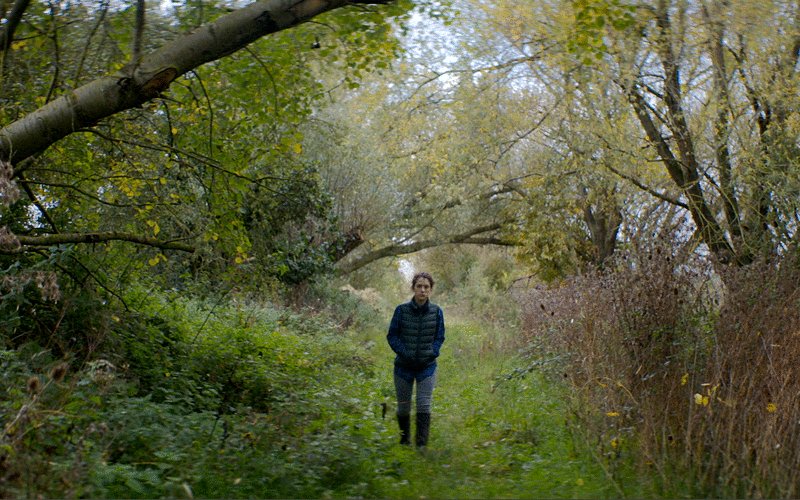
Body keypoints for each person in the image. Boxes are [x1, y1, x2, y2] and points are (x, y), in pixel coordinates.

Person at [386, 271, 445, 447]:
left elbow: (439, 337)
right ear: (413, 288)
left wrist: (432, 352)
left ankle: (421, 445)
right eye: (419, 286)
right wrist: (404, 353)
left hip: (427, 367)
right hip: (403, 367)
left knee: (424, 405)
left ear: (431, 290)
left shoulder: (437, 312)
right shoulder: (401, 310)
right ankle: (405, 441)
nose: (422, 290)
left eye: (426, 287)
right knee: (404, 406)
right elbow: (392, 336)